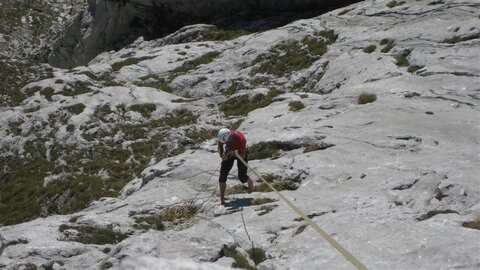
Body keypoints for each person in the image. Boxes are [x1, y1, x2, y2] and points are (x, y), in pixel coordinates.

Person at [217, 128, 254, 205]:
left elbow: (243, 156)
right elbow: (220, 144)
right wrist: (222, 155)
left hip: (241, 152)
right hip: (229, 151)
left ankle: (250, 182)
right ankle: (222, 200)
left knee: (241, 176)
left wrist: (233, 154)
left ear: (230, 137)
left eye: (226, 141)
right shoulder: (223, 136)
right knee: (222, 176)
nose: (225, 142)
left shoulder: (240, 139)